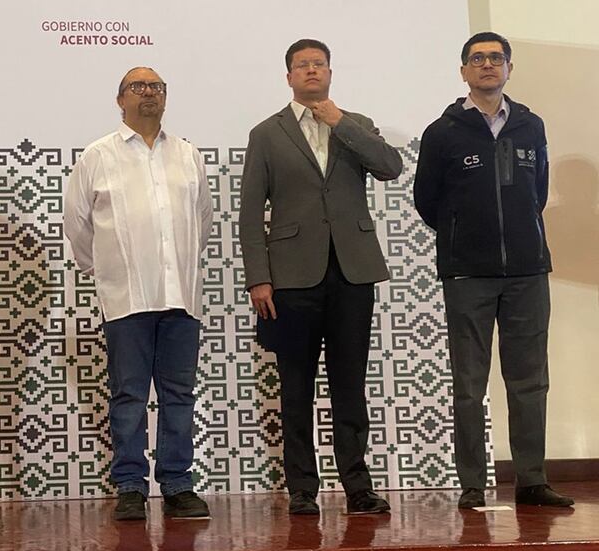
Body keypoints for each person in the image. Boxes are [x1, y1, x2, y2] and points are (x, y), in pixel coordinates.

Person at [239, 39, 402, 515]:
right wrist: (258, 278)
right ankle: (302, 489)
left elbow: (389, 167)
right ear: (288, 77)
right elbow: (251, 213)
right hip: (291, 277)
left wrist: (340, 123)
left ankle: (358, 486)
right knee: (295, 385)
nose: (311, 71)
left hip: (352, 272)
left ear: (330, 72)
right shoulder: (266, 134)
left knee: (349, 384)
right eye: (301, 66)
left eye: (318, 64)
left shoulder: (356, 125)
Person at [414, 31, 573, 509]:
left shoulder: (531, 126)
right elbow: (428, 201)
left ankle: (531, 479)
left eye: (496, 58)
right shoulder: (443, 131)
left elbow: (536, 193)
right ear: (464, 70)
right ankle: (472, 484)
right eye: (477, 59)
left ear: (509, 68)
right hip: (468, 275)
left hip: (527, 272)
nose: (487, 65)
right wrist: (464, 234)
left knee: (530, 381)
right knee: (469, 383)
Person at [64, 67, 213, 521]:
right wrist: (111, 270)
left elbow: (201, 221)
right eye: (138, 86)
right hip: (125, 296)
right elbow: (77, 226)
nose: (149, 93)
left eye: (157, 87)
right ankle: (129, 485)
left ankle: (177, 483)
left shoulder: (188, 155)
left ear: (165, 98)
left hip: (180, 296)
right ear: (120, 99)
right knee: (128, 394)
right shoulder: (97, 156)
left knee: (179, 394)